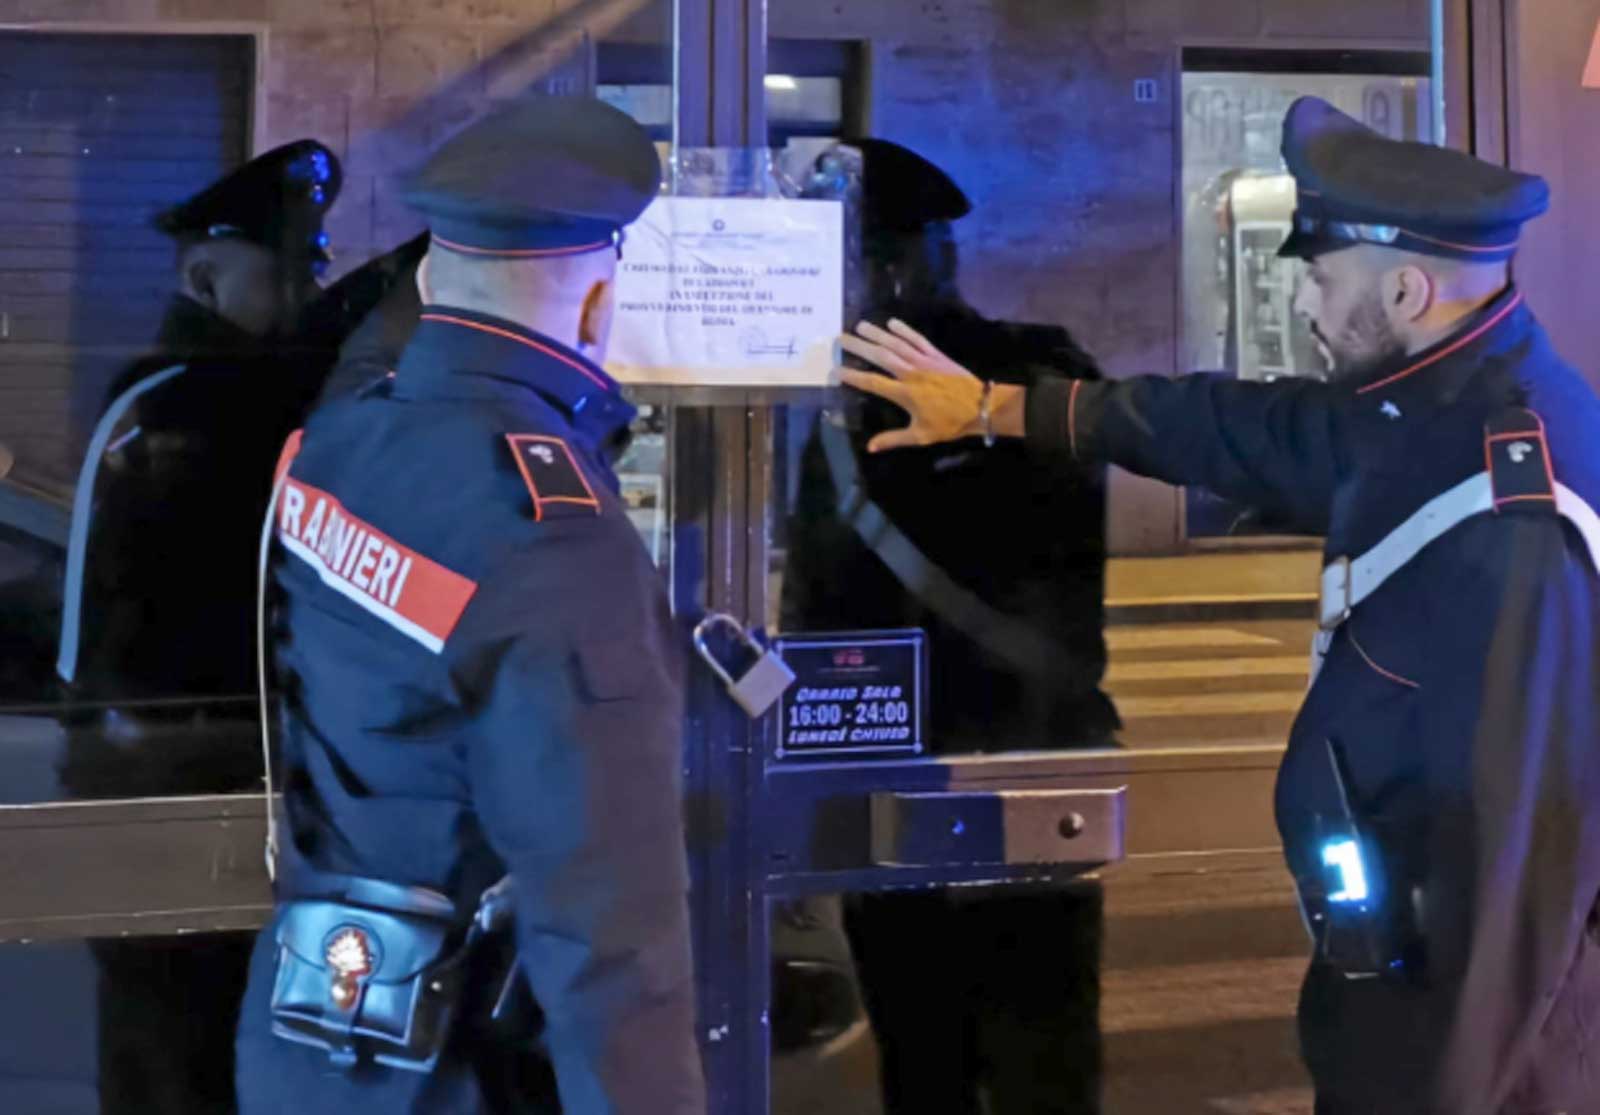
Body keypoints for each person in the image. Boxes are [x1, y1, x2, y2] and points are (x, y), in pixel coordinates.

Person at [842, 96, 1600, 1115]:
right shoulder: (1427, 405)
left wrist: (1435, 1080)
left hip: (1469, 1026)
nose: (1308, 309)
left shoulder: (1509, 508)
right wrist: (995, 405)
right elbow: (1236, 426)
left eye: (1323, 281)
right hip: (1405, 965)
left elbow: (1505, 867)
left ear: (1410, 287)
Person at [234, 97, 704, 1115]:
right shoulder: (554, 539)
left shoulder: (341, 437)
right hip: (463, 1065)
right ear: (592, 309)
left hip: (312, 1029)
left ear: (430, 278)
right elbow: (610, 937)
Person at [782, 138, 1113, 1114]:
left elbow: (820, 605)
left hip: (935, 771)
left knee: (931, 1060)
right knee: (1031, 1064)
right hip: (1018, 764)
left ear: (891, 263)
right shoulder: (1039, 374)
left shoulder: (910, 402)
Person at [48, 140, 346, 1115]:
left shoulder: (200, 394)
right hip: (172, 785)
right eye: (294, 261)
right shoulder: (189, 405)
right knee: (179, 1064)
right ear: (206, 272)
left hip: (185, 780)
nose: (312, 282)